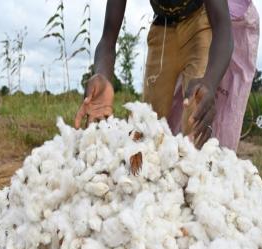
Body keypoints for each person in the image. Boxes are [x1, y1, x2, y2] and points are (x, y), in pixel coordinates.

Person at [75, 0, 234, 149]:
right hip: (162, 28)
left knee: (197, 108)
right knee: (148, 123)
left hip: (199, 23)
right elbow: (108, 37)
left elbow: (223, 26)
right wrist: (102, 75)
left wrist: (210, 83)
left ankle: (196, 167)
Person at [168, 0, 260, 151]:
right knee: (180, 108)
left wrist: (211, 82)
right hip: (188, 20)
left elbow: (223, 28)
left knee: (221, 119)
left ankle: (213, 166)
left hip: (232, 23)